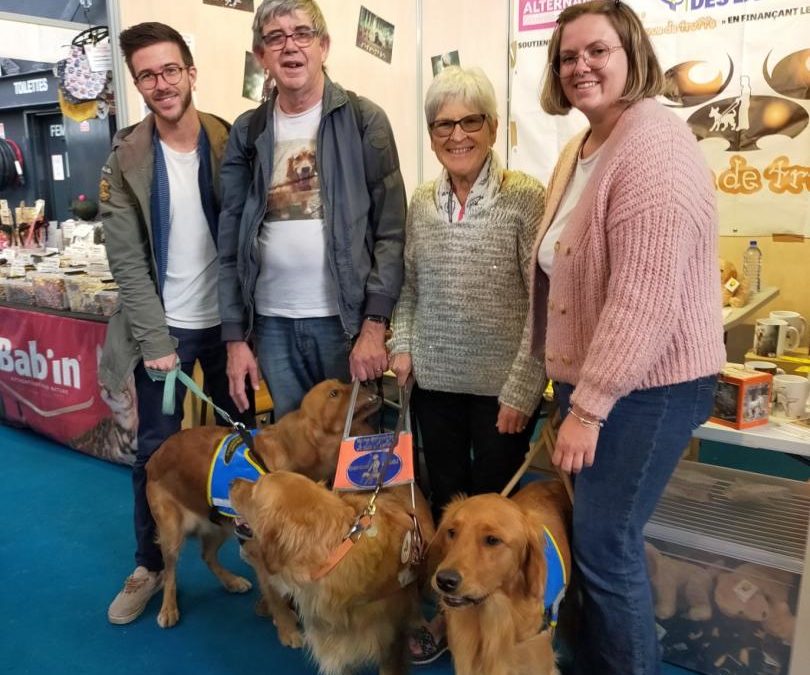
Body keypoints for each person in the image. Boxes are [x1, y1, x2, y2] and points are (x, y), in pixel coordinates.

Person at [529, 2, 726, 673]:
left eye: (597, 51)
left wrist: (587, 407)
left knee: (606, 543)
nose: (581, 66)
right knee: (594, 542)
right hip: (597, 381)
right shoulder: (582, 148)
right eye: (567, 56)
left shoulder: (654, 145)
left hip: (649, 385)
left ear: (632, 54)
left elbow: (641, 300)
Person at [387, 65, 547, 664]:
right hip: (434, 384)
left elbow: (544, 302)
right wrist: (402, 345)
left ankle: (508, 629)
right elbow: (408, 288)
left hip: (502, 393)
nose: (457, 135)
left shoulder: (525, 198)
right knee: (449, 512)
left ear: (492, 126)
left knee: (499, 520)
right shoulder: (423, 203)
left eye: (470, 121)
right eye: (443, 124)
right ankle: (452, 620)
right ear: (431, 135)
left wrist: (523, 388)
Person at [100, 21, 253, 625]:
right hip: (163, 332)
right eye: (147, 75)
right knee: (155, 454)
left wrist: (246, 327)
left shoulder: (232, 139)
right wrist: (157, 343)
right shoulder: (127, 157)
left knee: (241, 440)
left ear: (191, 72)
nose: (161, 84)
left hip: (231, 326)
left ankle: (256, 551)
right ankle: (150, 565)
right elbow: (128, 263)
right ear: (137, 84)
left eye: (170, 70)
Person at [218, 0, 406, 419]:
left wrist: (375, 325)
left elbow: (391, 233)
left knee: (356, 456)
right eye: (275, 38)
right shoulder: (248, 132)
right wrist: (235, 338)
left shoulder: (365, 120)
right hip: (271, 326)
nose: (290, 47)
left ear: (324, 45)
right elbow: (229, 243)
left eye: (302, 34)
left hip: (345, 325)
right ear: (260, 56)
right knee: (294, 456)